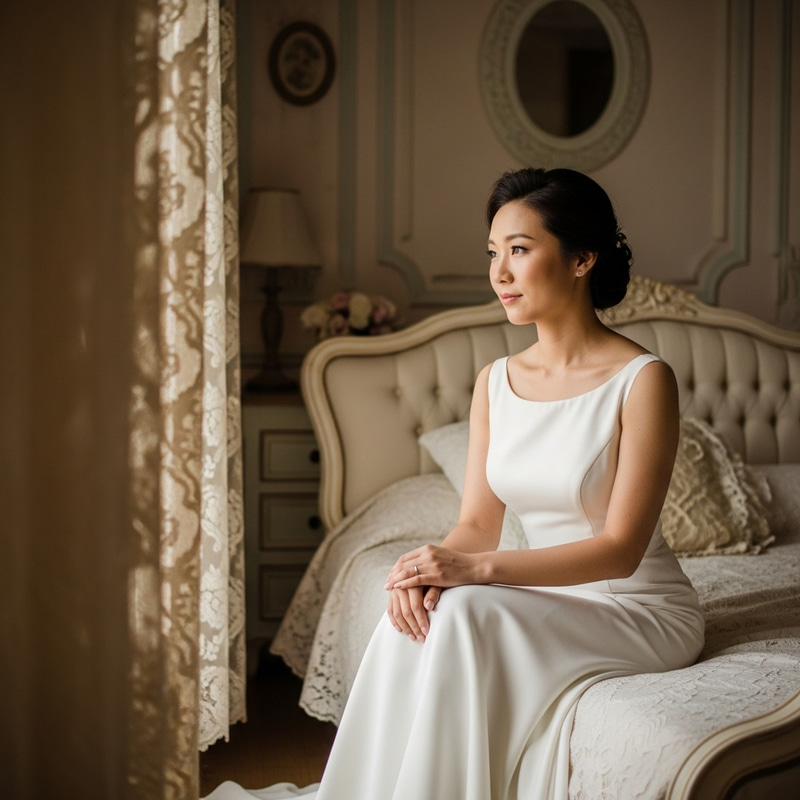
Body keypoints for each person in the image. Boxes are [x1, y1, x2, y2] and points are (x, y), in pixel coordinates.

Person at [206, 167, 705, 800]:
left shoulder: (644, 379)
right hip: (555, 598)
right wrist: (429, 569)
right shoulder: (495, 382)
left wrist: (477, 571)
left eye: (519, 251)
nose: (499, 274)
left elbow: (621, 549)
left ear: (582, 258)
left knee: (466, 608)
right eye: (493, 253)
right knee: (418, 605)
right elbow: (475, 524)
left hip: (638, 607)